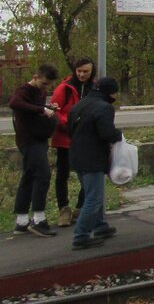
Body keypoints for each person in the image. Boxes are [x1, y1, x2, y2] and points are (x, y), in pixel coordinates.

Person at [68, 76, 123, 250]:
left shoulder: (80, 104)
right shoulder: (104, 107)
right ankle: (81, 235)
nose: (115, 95)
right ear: (109, 92)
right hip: (93, 158)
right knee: (94, 198)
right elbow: (107, 133)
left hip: (77, 155)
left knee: (92, 193)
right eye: (114, 92)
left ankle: (100, 227)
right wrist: (118, 134)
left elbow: (70, 128)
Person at [8, 63, 60, 237]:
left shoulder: (40, 92)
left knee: (29, 177)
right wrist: (42, 109)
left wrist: (49, 109)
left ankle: (22, 221)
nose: (47, 87)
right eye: (44, 83)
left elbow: (35, 112)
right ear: (36, 76)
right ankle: (38, 218)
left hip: (38, 139)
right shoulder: (24, 90)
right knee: (43, 175)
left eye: (49, 85)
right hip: (28, 141)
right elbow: (15, 103)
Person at [50, 57, 96, 226]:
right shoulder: (65, 88)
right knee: (63, 174)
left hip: (85, 139)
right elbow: (55, 110)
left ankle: (81, 207)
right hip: (65, 138)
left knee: (87, 173)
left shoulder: (94, 88)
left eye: (86, 72)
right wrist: (69, 125)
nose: (82, 75)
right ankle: (64, 209)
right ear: (75, 71)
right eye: (79, 71)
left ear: (92, 72)